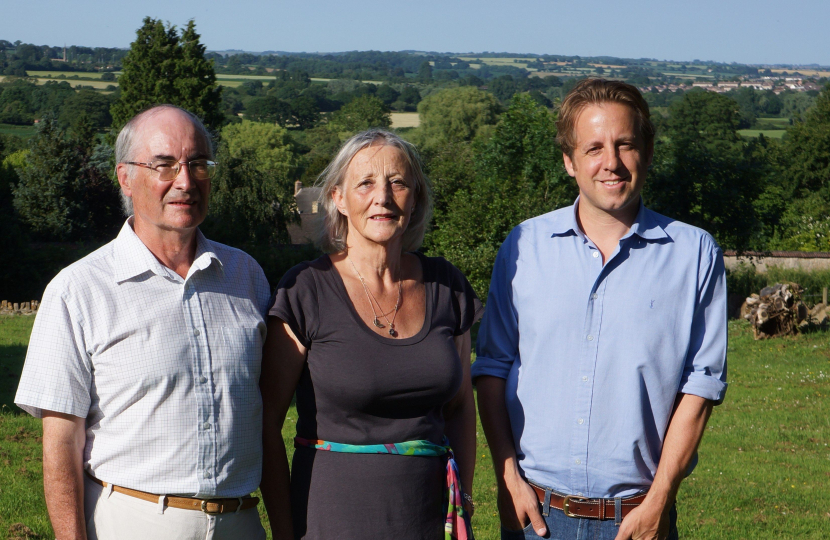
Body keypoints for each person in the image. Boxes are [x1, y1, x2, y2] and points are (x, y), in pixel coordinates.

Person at [473, 79, 728, 540]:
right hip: (535, 516)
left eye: (624, 144)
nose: (610, 162)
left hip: (638, 521)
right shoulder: (524, 246)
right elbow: (492, 366)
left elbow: (702, 385)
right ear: (569, 161)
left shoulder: (694, 253)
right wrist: (508, 477)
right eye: (593, 148)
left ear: (648, 152)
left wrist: (659, 501)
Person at [15, 105, 271, 540]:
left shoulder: (247, 276)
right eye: (164, 165)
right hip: (133, 522)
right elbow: (60, 445)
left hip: (241, 522)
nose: (185, 181)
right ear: (125, 178)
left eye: (197, 164)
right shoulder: (79, 289)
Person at [259, 129, 481, 539]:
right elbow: (268, 423)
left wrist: (463, 500)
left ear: (414, 198)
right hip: (330, 521)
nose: (383, 196)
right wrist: (284, 532)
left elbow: (461, 407)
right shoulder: (305, 289)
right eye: (365, 183)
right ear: (338, 199)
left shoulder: (447, 286)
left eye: (397, 182)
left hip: (430, 522)